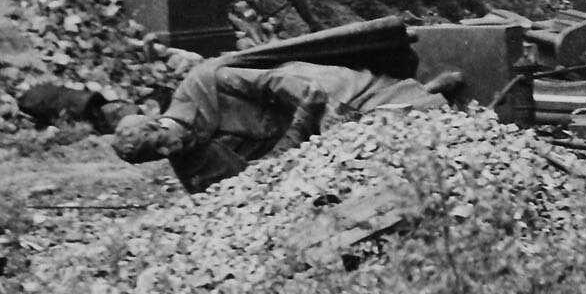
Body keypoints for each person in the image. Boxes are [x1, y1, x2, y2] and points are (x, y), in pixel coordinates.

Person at [112, 58, 460, 194]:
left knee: (345, 104)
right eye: (159, 156)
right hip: (294, 151)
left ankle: (420, 93)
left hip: (300, 103)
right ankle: (421, 98)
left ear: (157, 123)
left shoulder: (204, 84)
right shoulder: (194, 172)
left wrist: (312, 106)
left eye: (162, 141)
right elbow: (254, 181)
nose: (170, 151)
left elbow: (271, 82)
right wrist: (301, 131)